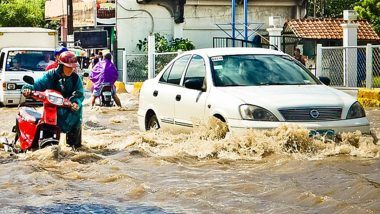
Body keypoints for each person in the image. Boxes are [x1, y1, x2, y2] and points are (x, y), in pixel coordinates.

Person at [22, 51, 84, 149]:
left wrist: (76, 103)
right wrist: (28, 88)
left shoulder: (76, 79)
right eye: (68, 67)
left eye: (73, 67)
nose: (71, 70)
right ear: (61, 65)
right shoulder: (50, 75)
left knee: (76, 147)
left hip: (71, 110)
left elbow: (79, 93)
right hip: (54, 109)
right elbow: (37, 85)